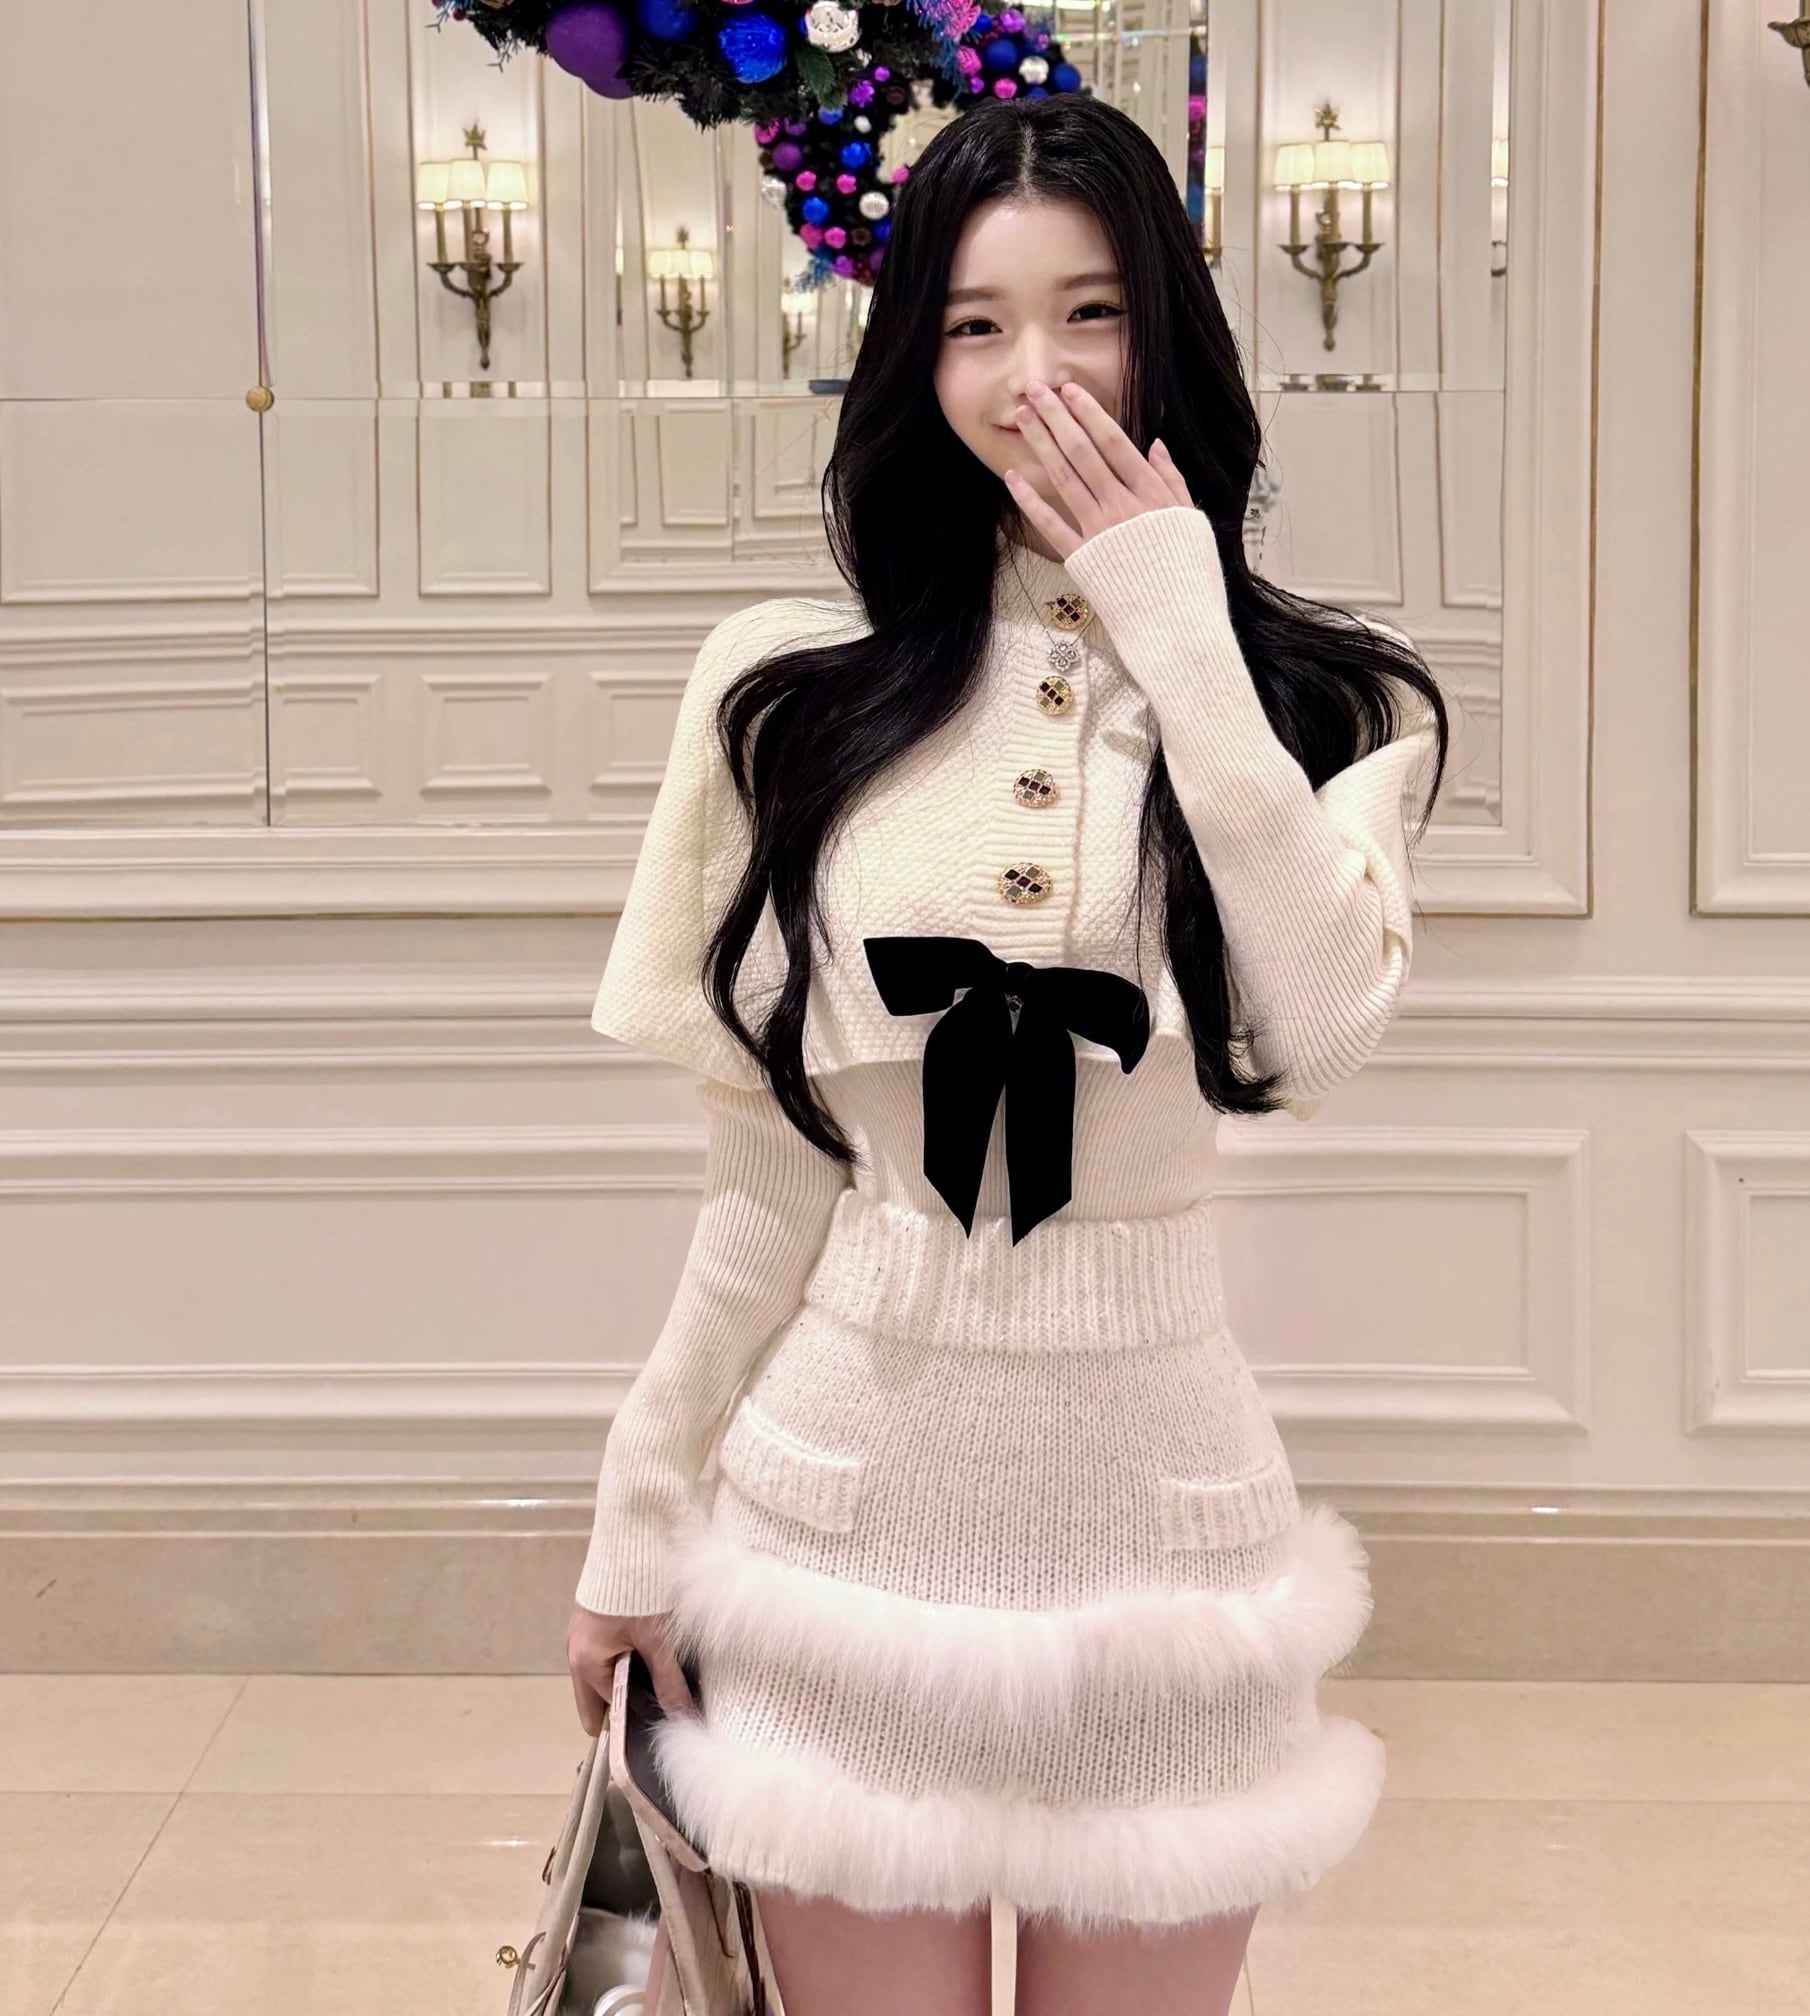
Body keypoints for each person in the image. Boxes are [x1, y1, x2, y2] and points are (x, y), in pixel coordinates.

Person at [566, 88, 1449, 2016]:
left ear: (1168, 332)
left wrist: (1173, 616)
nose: (1033, 372)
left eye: (1089, 311)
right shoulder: (784, 699)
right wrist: (639, 1512)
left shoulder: (1328, 704)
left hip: (1162, 1544)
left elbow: (1317, 1031)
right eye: (975, 324)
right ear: (914, 357)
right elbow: (770, 1174)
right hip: (838, 1528)